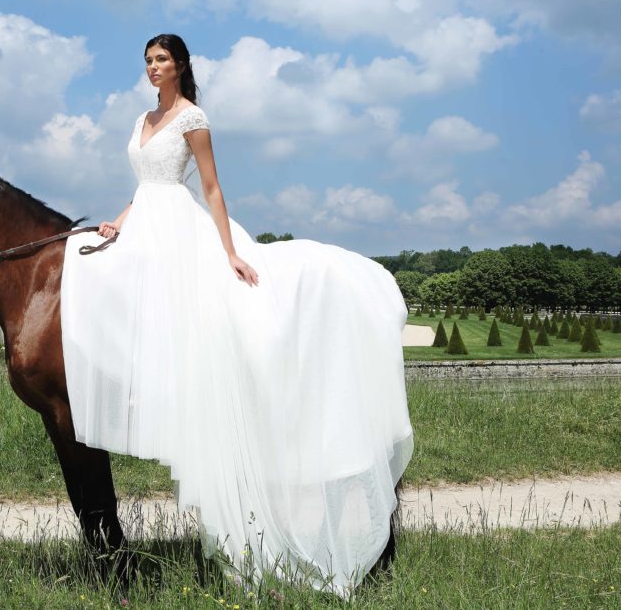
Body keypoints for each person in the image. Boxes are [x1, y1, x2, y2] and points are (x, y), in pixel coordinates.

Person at [61, 33, 413, 598]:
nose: (153, 68)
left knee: (203, 312)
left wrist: (228, 251)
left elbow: (210, 187)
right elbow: (145, 186)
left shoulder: (192, 118)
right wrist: (119, 222)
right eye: (148, 61)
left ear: (180, 66)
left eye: (162, 60)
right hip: (145, 220)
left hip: (181, 227)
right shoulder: (142, 119)